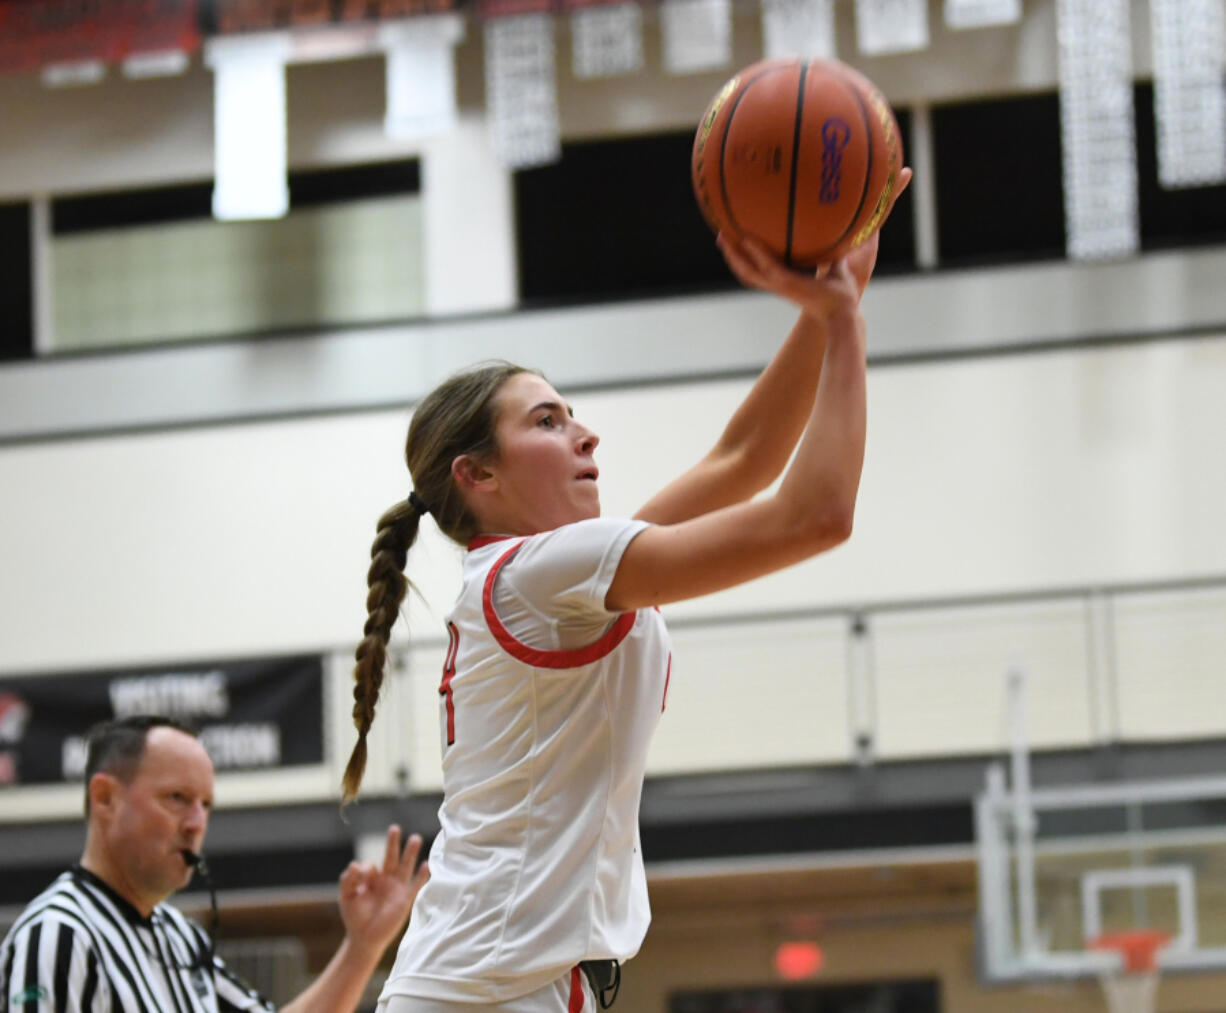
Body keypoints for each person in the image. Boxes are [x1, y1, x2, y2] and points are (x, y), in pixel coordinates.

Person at [341, 170, 912, 1013]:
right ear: (479, 476)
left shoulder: (551, 577)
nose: (584, 430)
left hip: (494, 988)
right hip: (488, 994)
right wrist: (842, 325)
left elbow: (741, 462)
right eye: (546, 420)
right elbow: (815, 516)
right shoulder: (544, 573)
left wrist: (836, 300)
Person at [0, 714, 430, 1013]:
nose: (196, 823)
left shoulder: (180, 938)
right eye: (177, 799)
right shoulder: (56, 937)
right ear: (105, 799)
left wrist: (363, 946)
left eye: (206, 805)